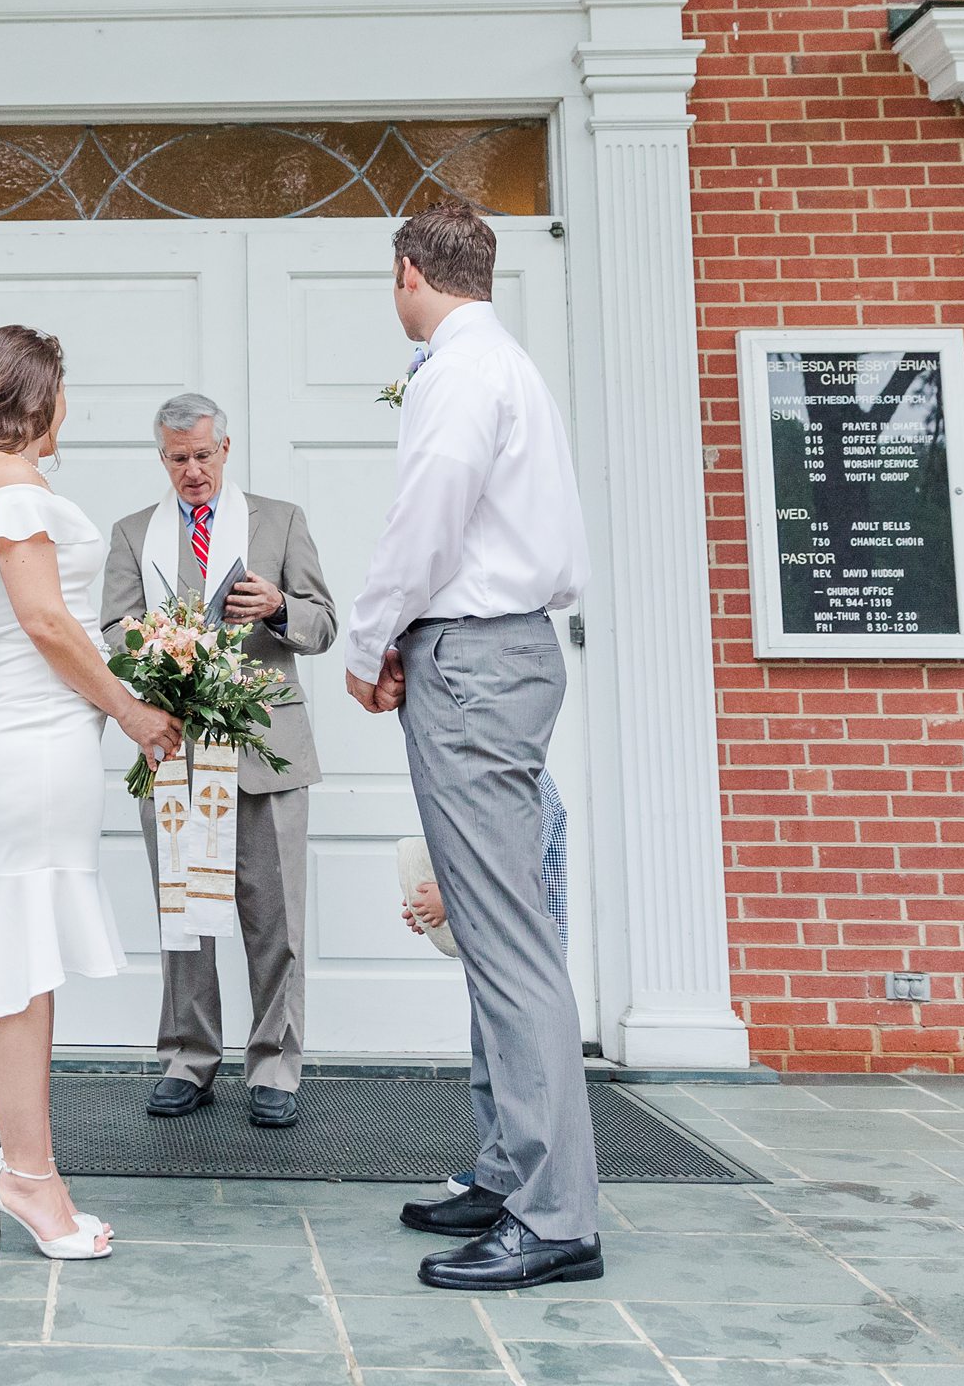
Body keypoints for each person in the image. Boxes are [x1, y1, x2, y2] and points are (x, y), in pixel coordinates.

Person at [344, 200, 603, 1293]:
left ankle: (554, 1214)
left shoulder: (453, 370)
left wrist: (368, 640)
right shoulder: (508, 365)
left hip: (476, 660)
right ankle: (507, 1169)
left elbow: (427, 518)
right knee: (503, 925)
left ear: (410, 270)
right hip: (501, 651)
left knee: (506, 936)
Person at [0, 324, 181, 1261]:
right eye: (64, 387)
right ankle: (29, 1175)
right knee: (22, 951)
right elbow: (43, 618)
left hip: (45, 734)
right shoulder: (6, 481)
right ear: (37, 392)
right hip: (40, 736)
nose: (69, 404)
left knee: (31, 953)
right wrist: (130, 710)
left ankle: (32, 1169)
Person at [98, 391, 335, 1131]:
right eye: (178, 459)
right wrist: (151, 643)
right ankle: (188, 1059)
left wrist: (278, 608)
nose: (193, 471)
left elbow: (325, 624)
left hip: (265, 750)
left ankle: (274, 1065)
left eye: (203, 456)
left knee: (277, 922)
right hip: (176, 752)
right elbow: (110, 626)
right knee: (185, 918)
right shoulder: (133, 533)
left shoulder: (281, 520)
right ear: (161, 459)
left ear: (226, 451)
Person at [403, 768, 569, 1198]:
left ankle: (518, 1178)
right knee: (491, 1067)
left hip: (521, 959)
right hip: (495, 950)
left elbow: (511, 866)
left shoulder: (523, 782)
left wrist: (450, 899)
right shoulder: (486, 776)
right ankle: (497, 1169)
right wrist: (435, 901)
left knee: (518, 1071)